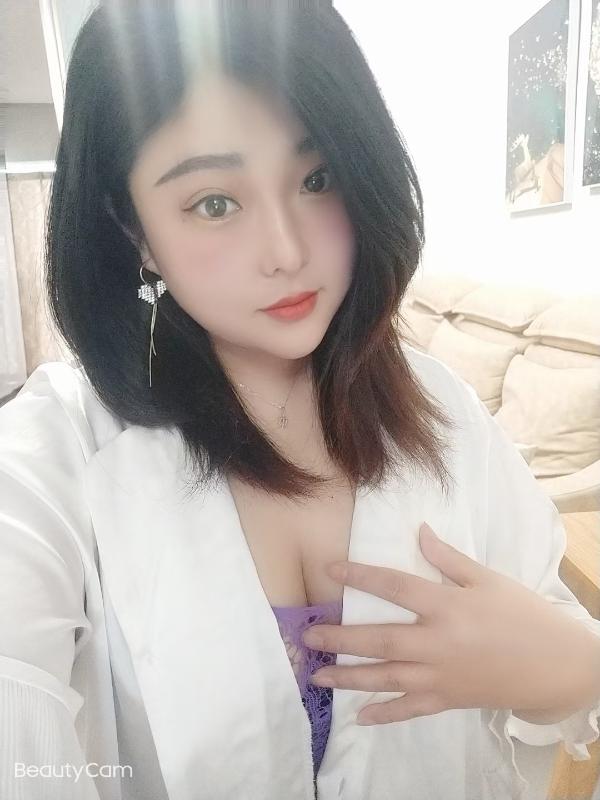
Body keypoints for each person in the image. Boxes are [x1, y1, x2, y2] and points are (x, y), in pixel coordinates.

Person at [1, 2, 599, 798]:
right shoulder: (59, 449)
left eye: (317, 179)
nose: (287, 251)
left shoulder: (445, 413)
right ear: (135, 230)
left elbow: (559, 653)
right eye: (214, 203)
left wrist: (574, 667)